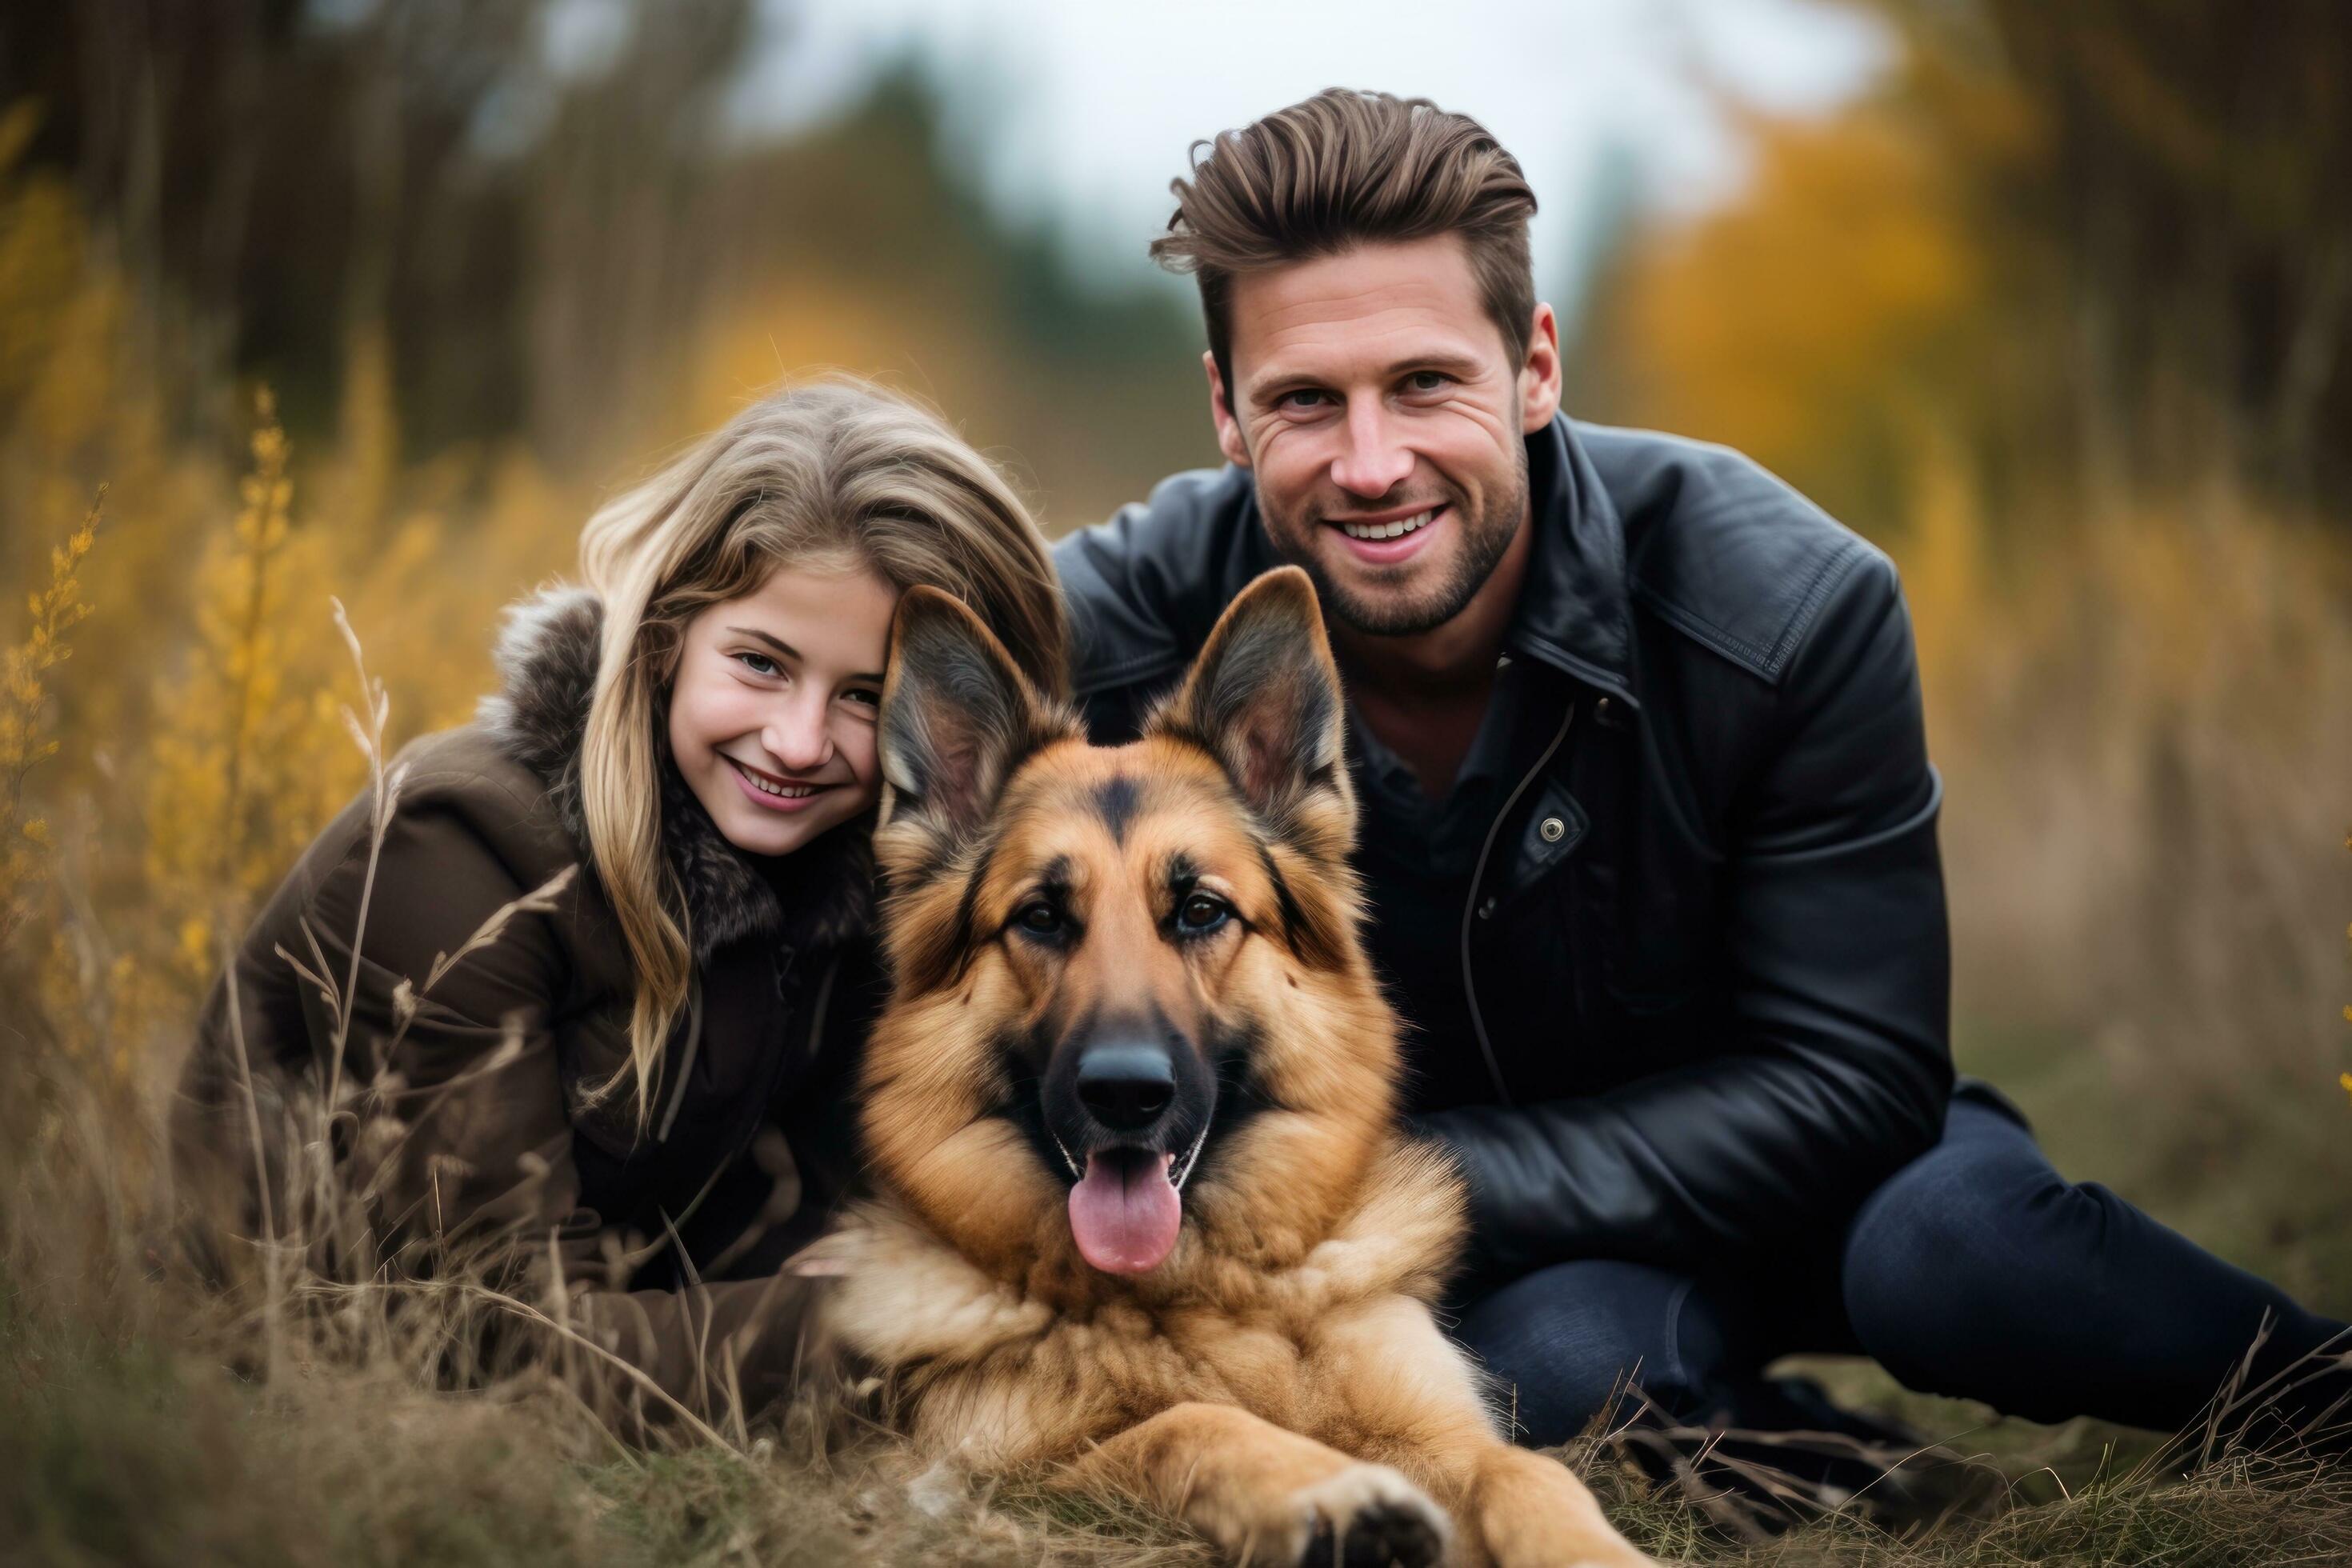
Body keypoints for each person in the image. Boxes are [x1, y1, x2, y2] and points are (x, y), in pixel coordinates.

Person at [1055, 88, 2347, 1451]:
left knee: (1965, 1259)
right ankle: (1794, 1447)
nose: (1374, 465)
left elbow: (1855, 1084)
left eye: (1426, 384)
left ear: (1536, 366)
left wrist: (1384, 1166)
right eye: (1305, 402)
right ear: (1225, 410)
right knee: (1554, 1376)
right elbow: (869, 777)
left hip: (1823, 1190)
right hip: (1520, 1273)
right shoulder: (1115, 631)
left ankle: (2324, 1391)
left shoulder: (1790, 608)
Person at [172, 378, 1066, 1415]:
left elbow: (825, 1200)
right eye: (761, 664)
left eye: (867, 697)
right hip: (260, 1394)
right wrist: (884, 1315)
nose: (799, 741)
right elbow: (494, 1345)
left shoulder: (848, 870)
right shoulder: (458, 858)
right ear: (667, 634)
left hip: (634, 1324)